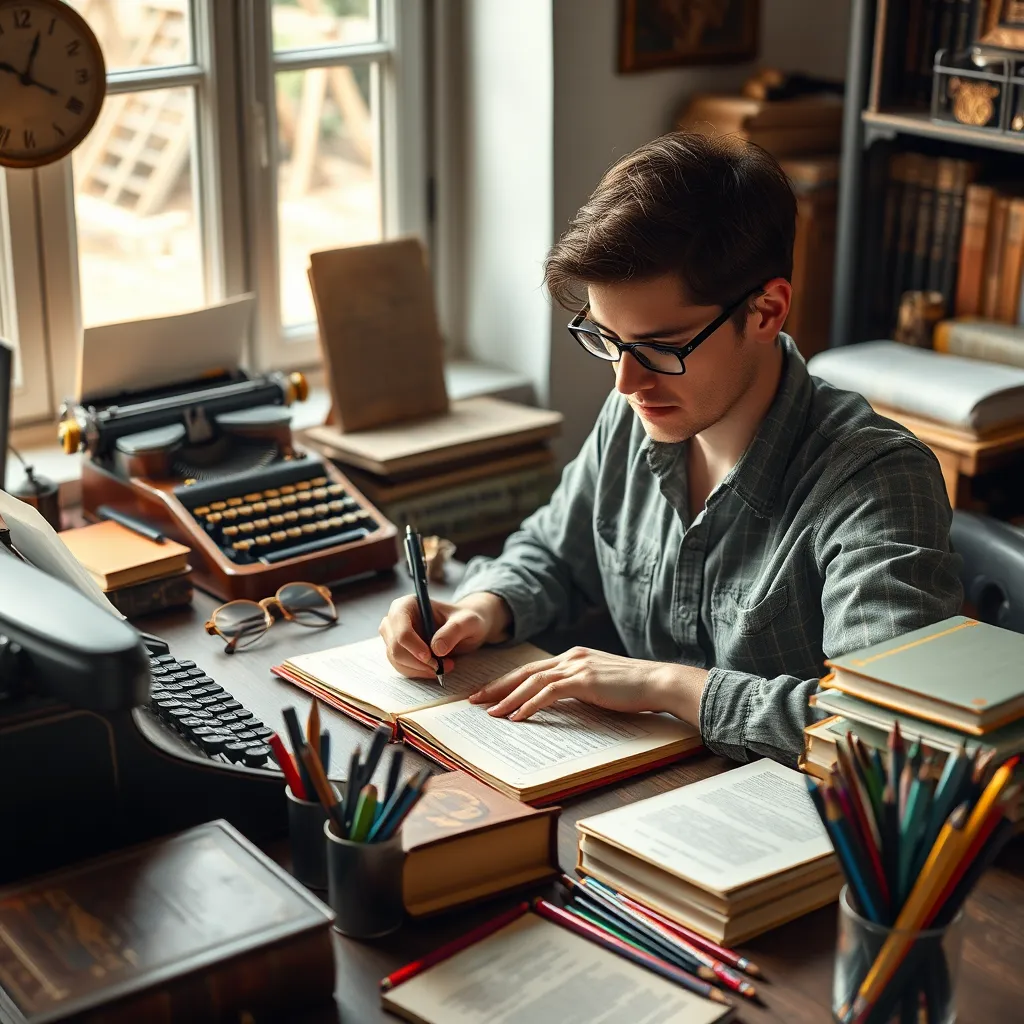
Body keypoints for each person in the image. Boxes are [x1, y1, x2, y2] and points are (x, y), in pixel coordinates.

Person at [378, 132, 963, 766]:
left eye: (661, 347)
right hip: (646, 793)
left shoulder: (874, 481)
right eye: (607, 339)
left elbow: (890, 736)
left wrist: (670, 686)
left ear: (767, 311)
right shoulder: (639, 414)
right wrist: (480, 607)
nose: (626, 381)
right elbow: (553, 552)